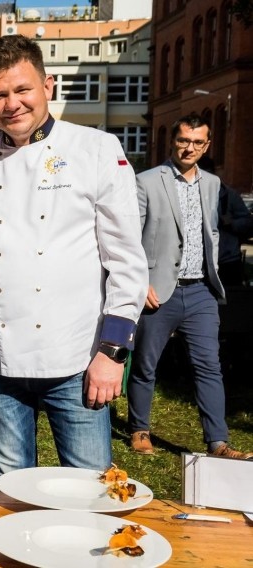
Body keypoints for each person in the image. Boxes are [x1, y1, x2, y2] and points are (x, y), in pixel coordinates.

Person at [0, 34, 148, 479]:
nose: (12, 103)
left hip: (77, 360)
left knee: (89, 490)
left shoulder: (96, 150)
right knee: (12, 490)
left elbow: (127, 261)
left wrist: (113, 352)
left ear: (48, 86)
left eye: (22, 89)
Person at [127, 113, 252, 459]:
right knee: (146, 364)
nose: (189, 148)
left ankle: (218, 441)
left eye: (198, 142)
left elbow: (210, 230)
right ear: (174, 141)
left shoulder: (213, 184)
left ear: (207, 145)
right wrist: (140, 284)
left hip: (201, 291)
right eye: (184, 140)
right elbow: (129, 239)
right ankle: (139, 429)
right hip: (158, 291)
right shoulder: (147, 181)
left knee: (208, 365)